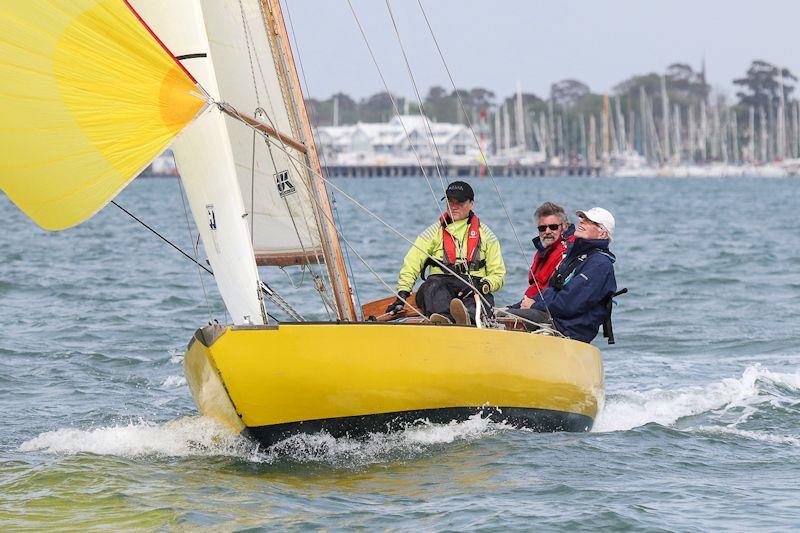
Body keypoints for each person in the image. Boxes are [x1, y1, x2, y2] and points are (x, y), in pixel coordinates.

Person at [387, 181, 506, 325]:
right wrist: (403, 293)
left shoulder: (487, 236)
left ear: (471, 204)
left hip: (473, 286)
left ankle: (466, 317)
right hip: (440, 286)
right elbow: (412, 263)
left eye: (460, 202)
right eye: (450, 201)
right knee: (432, 286)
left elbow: (498, 275)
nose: (454, 206)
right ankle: (445, 319)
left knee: (479, 300)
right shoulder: (432, 233)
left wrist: (483, 286)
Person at [508, 207, 617, 344]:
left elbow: (569, 303)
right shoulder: (577, 256)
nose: (581, 222)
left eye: (589, 221)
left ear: (602, 234)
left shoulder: (600, 264)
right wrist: (515, 306)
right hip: (555, 319)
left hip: (568, 330)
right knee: (499, 314)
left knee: (507, 319)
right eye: (582, 218)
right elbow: (549, 292)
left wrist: (534, 306)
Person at [519, 201, 574, 307]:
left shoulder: (567, 253)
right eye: (542, 228)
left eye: (553, 227)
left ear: (564, 227)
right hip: (531, 304)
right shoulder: (543, 251)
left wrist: (530, 305)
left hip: (547, 310)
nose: (547, 231)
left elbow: (555, 293)